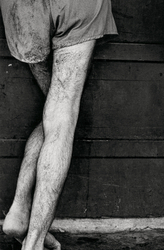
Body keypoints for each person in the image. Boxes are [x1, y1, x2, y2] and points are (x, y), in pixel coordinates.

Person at [0, 1, 117, 249]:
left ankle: (20, 208)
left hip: (21, 7)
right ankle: (33, 242)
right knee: (61, 115)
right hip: (77, 6)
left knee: (52, 109)